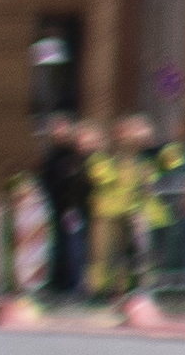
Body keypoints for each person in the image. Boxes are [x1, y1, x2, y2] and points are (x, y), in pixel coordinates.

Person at [94, 114, 157, 294]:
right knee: (116, 255)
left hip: (137, 212)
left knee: (139, 252)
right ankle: (115, 289)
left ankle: (139, 287)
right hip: (116, 213)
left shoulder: (145, 158)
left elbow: (148, 185)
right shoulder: (114, 159)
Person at [35, 117, 95, 301]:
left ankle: (74, 285)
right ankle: (58, 283)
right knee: (58, 247)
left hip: (73, 209)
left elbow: (81, 183)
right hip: (58, 208)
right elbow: (47, 180)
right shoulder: (53, 156)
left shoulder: (77, 158)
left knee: (74, 247)